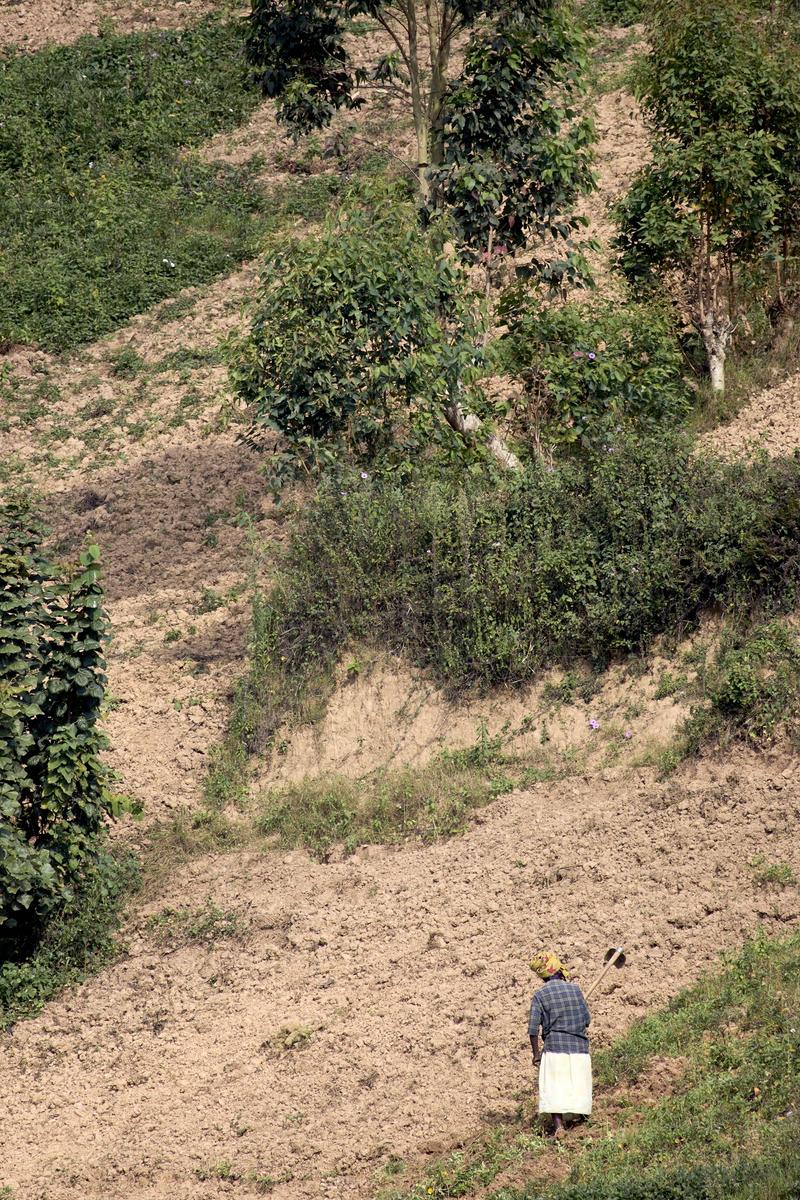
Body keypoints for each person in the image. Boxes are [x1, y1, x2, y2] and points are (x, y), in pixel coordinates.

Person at [528, 950, 592, 1138]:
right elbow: (586, 1020)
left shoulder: (540, 995)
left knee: (554, 1088)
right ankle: (582, 1121)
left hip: (555, 1047)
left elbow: (533, 1029)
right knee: (578, 1085)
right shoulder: (576, 990)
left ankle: (558, 1127)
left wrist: (536, 1053)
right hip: (579, 1047)